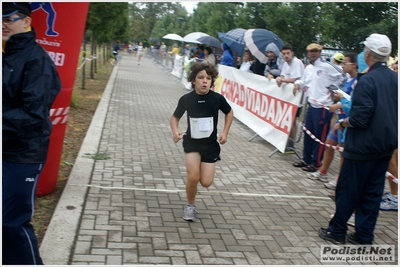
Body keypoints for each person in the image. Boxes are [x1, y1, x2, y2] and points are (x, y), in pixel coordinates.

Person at [319, 33, 398, 245]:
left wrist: (343, 123)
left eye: (365, 50)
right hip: (385, 146)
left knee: (348, 190)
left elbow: (360, 118)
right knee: (372, 193)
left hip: (363, 146)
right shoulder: (394, 78)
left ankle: (337, 231)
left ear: (369, 54)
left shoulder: (368, 79)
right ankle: (364, 235)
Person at [2, 2, 62, 264]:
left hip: (23, 154)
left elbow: (32, 114)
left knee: (11, 223)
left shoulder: (37, 61)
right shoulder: (6, 54)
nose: (3, 23)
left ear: (26, 22)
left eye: (9, 17)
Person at [170, 62, 234, 221]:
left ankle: (198, 173)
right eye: (200, 78)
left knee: (206, 182)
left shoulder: (217, 99)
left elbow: (229, 112)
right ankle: (190, 206)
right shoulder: (186, 99)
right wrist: (175, 130)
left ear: (212, 81)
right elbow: (174, 117)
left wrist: (225, 132)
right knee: (193, 177)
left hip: (210, 145)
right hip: (192, 143)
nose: (205, 81)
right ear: (193, 80)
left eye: (208, 78)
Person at [292, 43, 346, 172]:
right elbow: (303, 80)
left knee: (319, 136)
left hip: (323, 107)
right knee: (308, 133)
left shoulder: (327, 66)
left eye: (315, 51)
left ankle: (316, 162)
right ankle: (306, 159)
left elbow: (343, 75)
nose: (313, 53)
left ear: (320, 52)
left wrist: (334, 89)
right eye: (310, 51)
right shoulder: (309, 68)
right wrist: (297, 84)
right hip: (311, 105)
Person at [307, 53, 359, 186]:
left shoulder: (358, 81)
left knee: (342, 150)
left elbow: (354, 101)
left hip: (347, 120)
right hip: (340, 117)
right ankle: (323, 171)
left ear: (353, 65)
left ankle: (340, 179)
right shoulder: (347, 79)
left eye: (345, 63)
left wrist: (339, 103)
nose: (342, 66)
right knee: (329, 144)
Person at [275, 44, 305, 152]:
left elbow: (294, 79)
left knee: (293, 120)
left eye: (288, 53)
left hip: (297, 97)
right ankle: (287, 142)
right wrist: (279, 78)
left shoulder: (297, 62)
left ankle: (291, 144)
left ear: (292, 53)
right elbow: (283, 76)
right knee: (288, 118)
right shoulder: (285, 64)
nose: (286, 56)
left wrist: (281, 80)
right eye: (284, 54)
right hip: (288, 96)